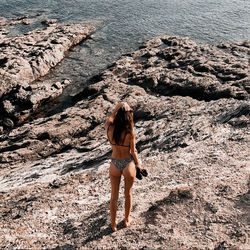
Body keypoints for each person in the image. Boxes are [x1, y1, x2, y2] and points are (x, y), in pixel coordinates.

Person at [105, 102, 142, 232]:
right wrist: (138, 165)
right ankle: (126, 220)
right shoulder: (130, 133)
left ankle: (113, 224)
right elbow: (133, 151)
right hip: (127, 163)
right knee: (128, 194)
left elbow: (111, 115)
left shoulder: (109, 127)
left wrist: (120, 105)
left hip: (114, 163)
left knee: (114, 196)